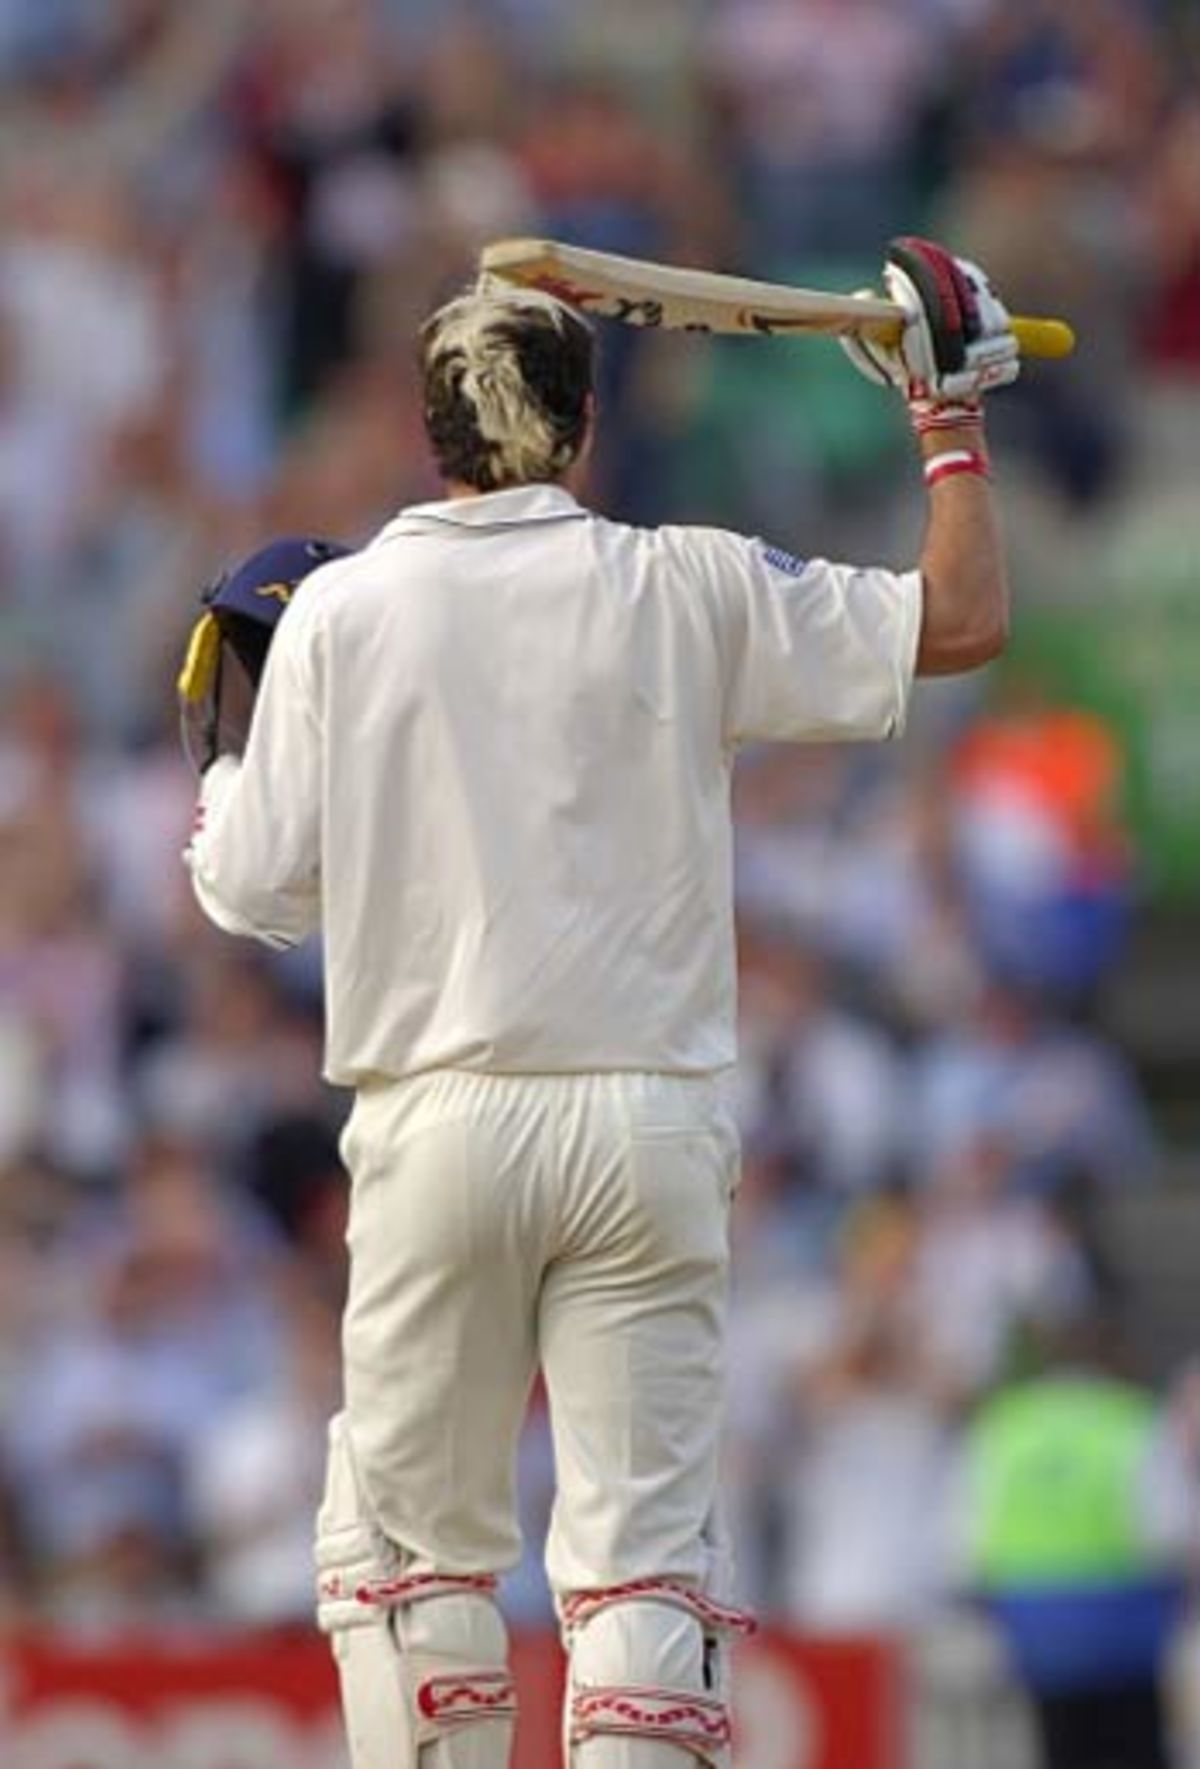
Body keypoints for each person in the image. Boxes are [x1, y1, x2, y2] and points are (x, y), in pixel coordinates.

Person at [183, 236, 1016, 1768]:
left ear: (427, 432)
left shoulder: (343, 618)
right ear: (583, 428)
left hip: (432, 1122)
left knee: (411, 1564)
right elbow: (958, 619)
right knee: (640, 1569)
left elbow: (245, 887)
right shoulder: (683, 580)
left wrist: (231, 750)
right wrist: (946, 422)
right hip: (646, 1118)